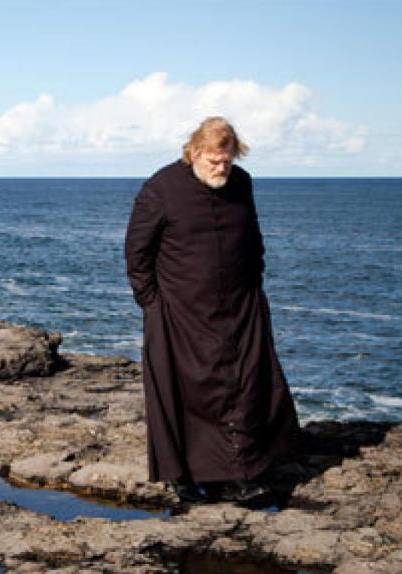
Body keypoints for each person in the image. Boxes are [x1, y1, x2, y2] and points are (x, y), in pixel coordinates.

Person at [124, 116, 299, 503]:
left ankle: (242, 472)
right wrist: (152, 303)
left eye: (228, 161)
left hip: (239, 306)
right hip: (179, 312)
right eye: (213, 162)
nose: (222, 169)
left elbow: (253, 238)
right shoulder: (162, 188)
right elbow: (137, 252)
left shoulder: (242, 184)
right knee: (187, 393)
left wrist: (255, 286)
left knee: (244, 386)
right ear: (195, 152)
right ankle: (184, 476)